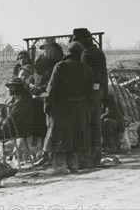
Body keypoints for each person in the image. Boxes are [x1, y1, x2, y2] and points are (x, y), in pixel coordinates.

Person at [43, 41, 94, 174]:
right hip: (80, 109)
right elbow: (90, 93)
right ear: (81, 53)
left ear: (68, 52)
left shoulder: (60, 66)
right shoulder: (87, 69)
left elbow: (52, 89)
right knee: (76, 137)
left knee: (60, 136)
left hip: (62, 109)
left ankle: (59, 166)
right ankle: (74, 165)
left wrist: (47, 106)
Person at [73, 28, 107, 168]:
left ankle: (87, 160)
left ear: (82, 40)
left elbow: (88, 76)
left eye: (76, 40)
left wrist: (87, 93)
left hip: (90, 95)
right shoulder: (98, 51)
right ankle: (95, 158)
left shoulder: (86, 54)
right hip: (98, 93)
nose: (75, 42)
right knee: (95, 125)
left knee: (87, 126)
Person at [32, 38, 64, 168]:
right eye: (45, 49)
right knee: (43, 128)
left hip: (52, 99)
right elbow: (37, 78)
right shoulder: (41, 63)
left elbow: (53, 82)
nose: (46, 52)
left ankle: (50, 156)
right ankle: (45, 155)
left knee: (51, 128)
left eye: (48, 49)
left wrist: (40, 89)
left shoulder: (58, 63)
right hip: (40, 100)